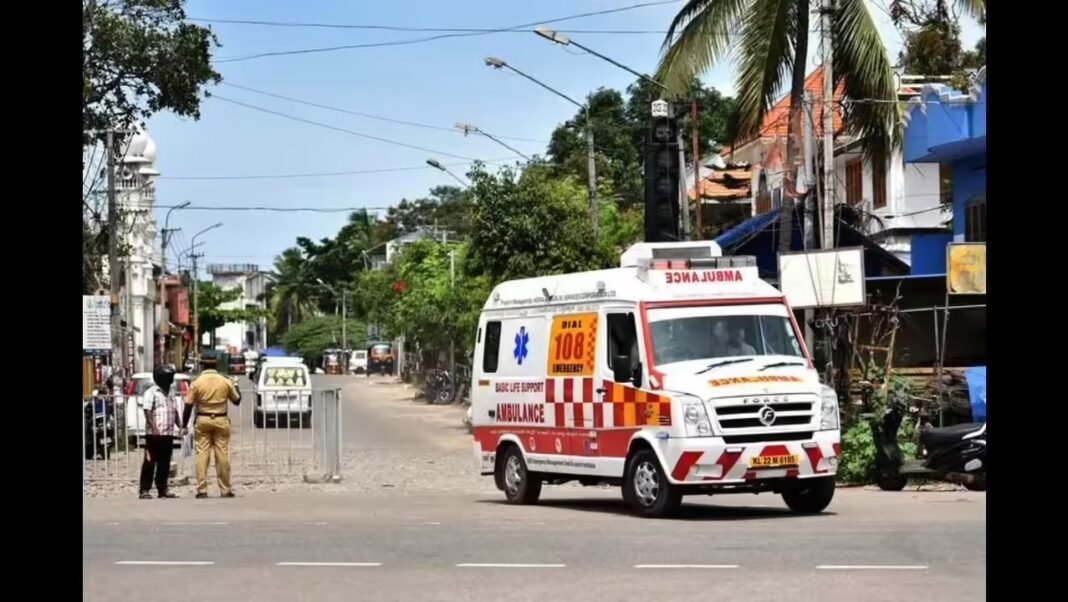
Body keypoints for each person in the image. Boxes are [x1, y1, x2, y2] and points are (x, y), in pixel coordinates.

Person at [182, 367, 241, 499]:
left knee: (202, 454)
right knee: (222, 454)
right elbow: (237, 401)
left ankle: (202, 489)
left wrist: (184, 424)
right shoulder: (225, 381)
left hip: (203, 419)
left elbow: (188, 405)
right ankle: (225, 489)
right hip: (221, 419)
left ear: (202, 366)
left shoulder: (197, 382)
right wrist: (236, 385)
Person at [139, 365, 182, 499]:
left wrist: (180, 425)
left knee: (165, 463)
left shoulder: (171, 393)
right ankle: (144, 489)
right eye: (169, 377)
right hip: (154, 435)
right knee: (150, 462)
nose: (171, 380)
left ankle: (162, 489)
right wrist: (154, 428)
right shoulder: (151, 392)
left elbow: (174, 411)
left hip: (167, 434)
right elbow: (147, 411)